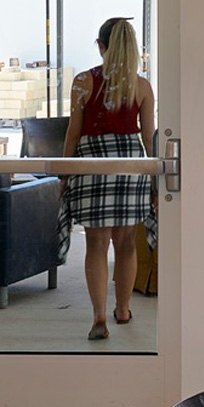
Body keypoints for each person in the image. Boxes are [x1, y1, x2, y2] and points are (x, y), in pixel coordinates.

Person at [61, 17, 156, 341]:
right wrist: (155, 180)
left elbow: (73, 134)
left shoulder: (82, 82)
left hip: (92, 162)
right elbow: (149, 136)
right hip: (130, 163)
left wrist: (65, 174)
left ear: (101, 46)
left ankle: (99, 317)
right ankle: (124, 309)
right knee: (126, 242)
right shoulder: (141, 86)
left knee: (96, 243)